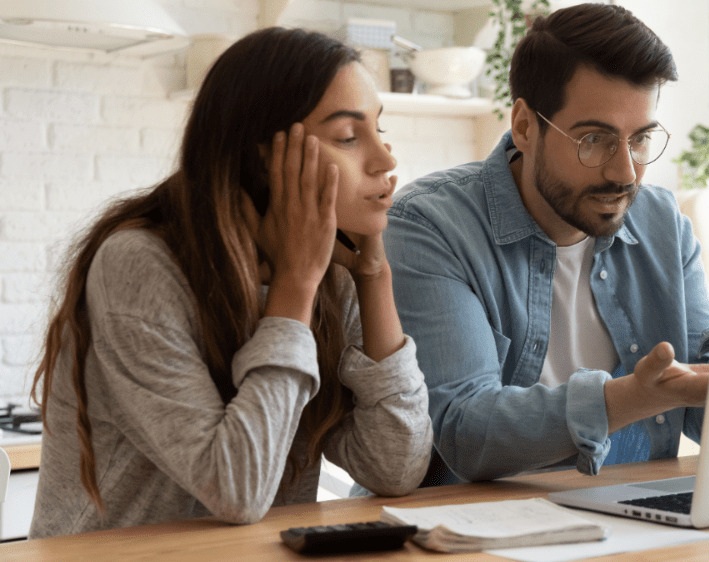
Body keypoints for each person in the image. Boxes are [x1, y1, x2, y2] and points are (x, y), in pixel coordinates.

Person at [383, 3, 709, 487]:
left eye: (640, 139)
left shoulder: (662, 222)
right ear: (525, 126)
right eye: (594, 140)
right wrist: (629, 398)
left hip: (631, 524)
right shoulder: (431, 226)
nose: (624, 172)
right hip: (466, 535)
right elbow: (464, 432)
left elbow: (706, 417)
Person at [28, 28, 432, 538]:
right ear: (265, 157)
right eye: (348, 137)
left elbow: (394, 469)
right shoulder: (138, 264)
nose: (385, 160)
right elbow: (236, 490)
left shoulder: (336, 275)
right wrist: (294, 286)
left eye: (379, 130)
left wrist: (374, 278)